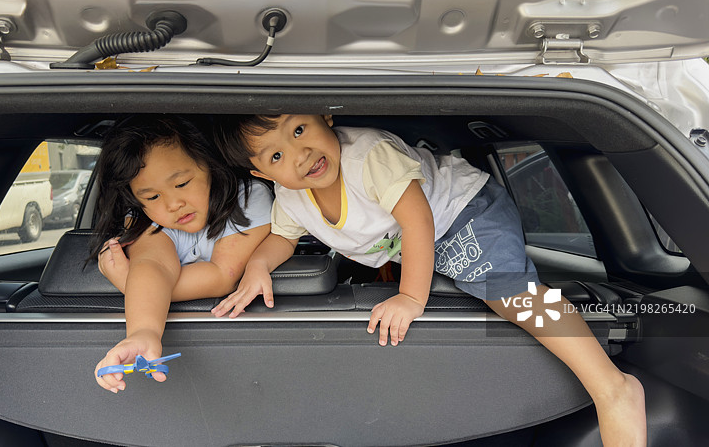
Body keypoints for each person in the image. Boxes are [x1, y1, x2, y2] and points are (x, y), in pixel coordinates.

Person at [211, 114, 646, 447]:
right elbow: (282, 240)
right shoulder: (291, 197)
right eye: (276, 156)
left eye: (299, 130)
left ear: (325, 116)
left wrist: (410, 297)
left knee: (511, 294)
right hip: (417, 238)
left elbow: (417, 222)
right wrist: (258, 266)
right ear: (263, 176)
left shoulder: (369, 156)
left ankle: (612, 386)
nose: (299, 154)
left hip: (463, 210)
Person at [89, 116, 272, 393]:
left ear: (209, 165)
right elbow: (153, 265)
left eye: (182, 183)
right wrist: (142, 333)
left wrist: (129, 283)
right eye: (151, 197)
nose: (174, 204)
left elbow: (222, 276)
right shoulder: (144, 221)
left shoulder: (248, 199)